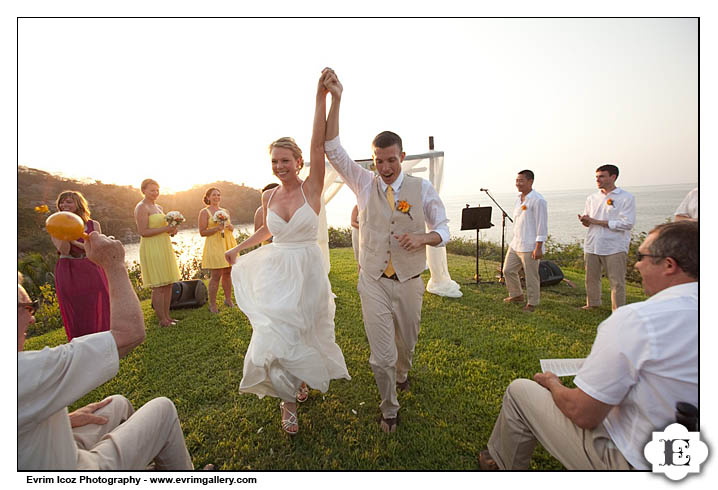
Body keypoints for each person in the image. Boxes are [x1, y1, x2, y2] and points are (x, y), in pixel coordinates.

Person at [478, 220, 698, 471]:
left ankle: (504, 466)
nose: (636, 264)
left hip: (638, 461)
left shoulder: (638, 320)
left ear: (669, 265)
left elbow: (583, 413)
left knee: (519, 391)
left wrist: (553, 384)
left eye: (642, 256)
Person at [322, 68, 450, 433]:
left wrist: (424, 239)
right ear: (373, 160)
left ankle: (404, 371)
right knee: (382, 355)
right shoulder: (363, 183)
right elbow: (332, 149)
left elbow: (443, 229)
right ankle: (389, 408)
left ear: (402, 156)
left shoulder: (422, 189)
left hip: (409, 278)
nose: (385, 167)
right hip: (373, 279)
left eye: (391, 160)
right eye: (379, 161)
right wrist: (337, 98)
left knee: (406, 342)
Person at [224, 71, 350, 435]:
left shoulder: (312, 186)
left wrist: (322, 97)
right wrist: (238, 247)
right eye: (274, 162)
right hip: (277, 271)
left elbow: (318, 142)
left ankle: (301, 376)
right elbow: (267, 230)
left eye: (285, 160)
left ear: (298, 161)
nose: (279, 167)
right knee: (275, 333)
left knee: (306, 329)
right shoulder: (269, 196)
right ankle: (287, 402)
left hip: (308, 269)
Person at [18, 232, 195, 470]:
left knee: (117, 403)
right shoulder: (25, 371)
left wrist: (64, 421)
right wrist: (114, 264)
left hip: (41, 451)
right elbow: (129, 333)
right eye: (26, 308)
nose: (31, 318)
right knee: (162, 410)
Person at [49, 190, 111, 340]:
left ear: (78, 204)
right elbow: (64, 249)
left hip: (92, 266)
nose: (64, 205)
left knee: (100, 301)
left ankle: (104, 338)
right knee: (77, 307)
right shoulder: (55, 224)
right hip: (70, 269)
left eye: (68, 201)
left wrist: (75, 241)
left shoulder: (93, 224)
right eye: (62, 202)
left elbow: (97, 249)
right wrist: (64, 232)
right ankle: (81, 342)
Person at [577, 164, 635, 311]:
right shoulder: (592, 198)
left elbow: (627, 224)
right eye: (596, 177)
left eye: (602, 176)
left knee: (617, 282)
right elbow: (589, 223)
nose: (598, 179)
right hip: (593, 244)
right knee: (591, 278)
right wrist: (585, 220)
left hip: (614, 246)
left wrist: (598, 222)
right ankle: (593, 303)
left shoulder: (626, 197)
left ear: (613, 177)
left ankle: (618, 310)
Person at [134, 179, 181, 327]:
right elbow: (143, 232)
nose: (155, 193)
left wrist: (172, 230)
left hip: (164, 245)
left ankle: (168, 316)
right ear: (144, 191)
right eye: (151, 190)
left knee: (168, 284)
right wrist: (165, 229)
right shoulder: (141, 207)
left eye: (157, 190)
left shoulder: (159, 207)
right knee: (159, 286)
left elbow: (164, 229)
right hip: (152, 247)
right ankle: (162, 320)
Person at [502, 170, 548, 313]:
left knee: (531, 275)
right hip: (516, 243)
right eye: (517, 180)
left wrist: (538, 247)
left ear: (530, 181)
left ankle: (532, 302)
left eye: (521, 180)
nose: (518, 183)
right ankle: (516, 295)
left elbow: (542, 225)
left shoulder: (538, 200)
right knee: (508, 270)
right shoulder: (518, 199)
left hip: (530, 245)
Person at [199, 187, 238, 313]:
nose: (217, 197)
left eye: (218, 195)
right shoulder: (204, 212)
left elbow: (230, 228)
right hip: (214, 244)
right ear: (208, 197)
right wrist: (217, 228)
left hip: (228, 242)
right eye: (214, 195)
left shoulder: (225, 211)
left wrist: (230, 227)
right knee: (216, 275)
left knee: (228, 272)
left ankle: (228, 299)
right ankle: (213, 304)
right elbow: (202, 232)